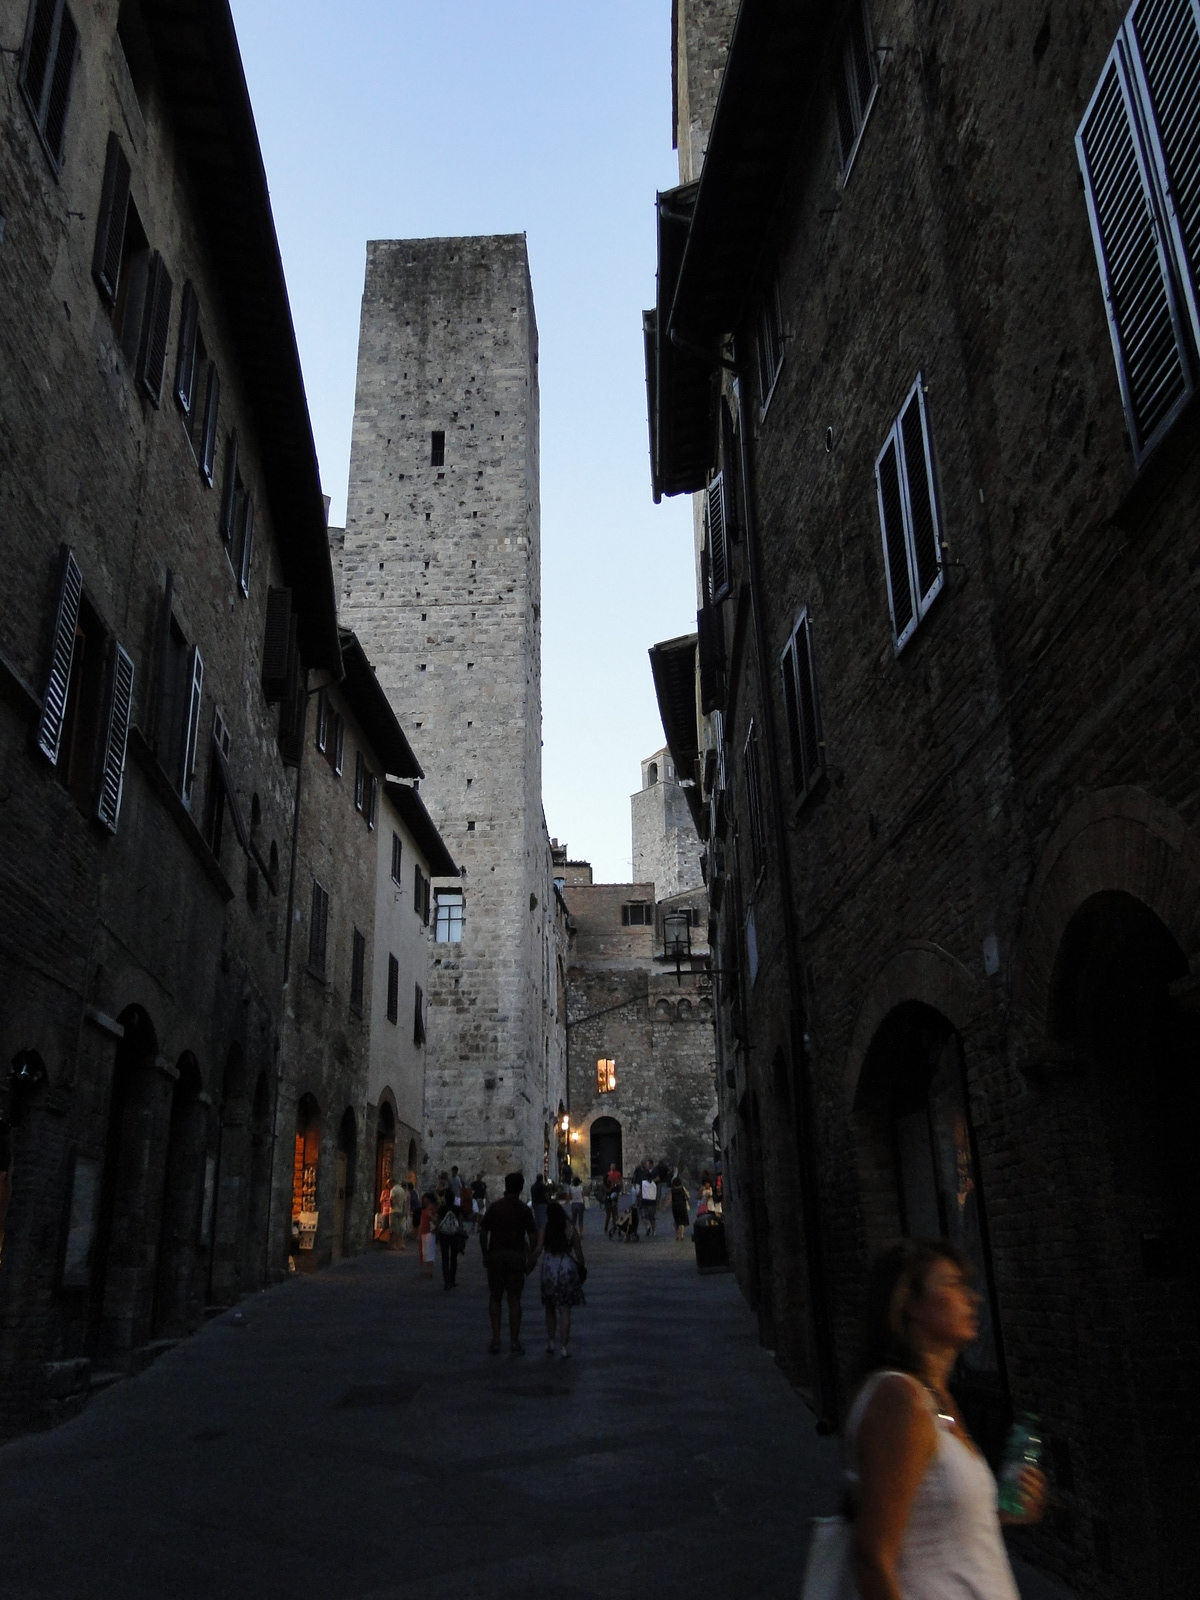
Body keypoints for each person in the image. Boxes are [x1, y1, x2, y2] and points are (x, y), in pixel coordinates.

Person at [845, 1238, 1046, 1600]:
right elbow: (872, 1556)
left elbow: (931, 1531)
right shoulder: (899, 1400)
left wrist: (999, 1513)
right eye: (952, 1285)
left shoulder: (937, 1398)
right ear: (909, 1304)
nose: (973, 1299)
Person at [479, 1171, 539, 1354]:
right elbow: (533, 1236)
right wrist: (530, 1258)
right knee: (514, 1299)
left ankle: (496, 1339)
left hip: (496, 1255)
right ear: (521, 1189)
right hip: (516, 1257)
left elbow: (483, 1232)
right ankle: (514, 1341)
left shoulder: (495, 1207)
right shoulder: (524, 1210)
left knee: (495, 1297)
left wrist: (485, 1254)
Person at [530, 1198, 586, 1358]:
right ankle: (564, 1347)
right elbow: (579, 1252)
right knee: (565, 1308)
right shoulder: (570, 1229)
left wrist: (529, 1264)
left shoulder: (545, 1228)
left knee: (550, 1307)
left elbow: (538, 1249)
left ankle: (551, 1341)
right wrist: (581, 1268)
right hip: (566, 1266)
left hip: (549, 1267)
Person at [435, 1192, 463, 1289]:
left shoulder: (442, 1208)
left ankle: (446, 1281)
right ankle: (452, 1279)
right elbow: (460, 1222)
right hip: (454, 1235)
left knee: (445, 1258)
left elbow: (437, 1220)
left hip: (444, 1235)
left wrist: (437, 1232)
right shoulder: (457, 1208)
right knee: (454, 1258)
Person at [417, 1192, 436, 1278]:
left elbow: (436, 1220)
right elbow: (421, 1222)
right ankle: (428, 1270)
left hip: (429, 1231)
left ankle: (430, 1271)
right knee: (425, 1251)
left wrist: (430, 1216)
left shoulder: (432, 1209)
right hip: (424, 1231)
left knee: (429, 1251)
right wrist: (419, 1232)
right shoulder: (425, 1209)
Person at [389, 1173, 407, 1251]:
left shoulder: (393, 1190)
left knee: (394, 1228)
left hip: (394, 1210)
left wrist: (391, 1206)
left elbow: (392, 1200)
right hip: (400, 1210)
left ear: (391, 1183)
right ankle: (400, 1244)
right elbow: (404, 1201)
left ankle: (393, 1245)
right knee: (400, 1229)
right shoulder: (402, 1190)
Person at [670, 1174, 691, 1241]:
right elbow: (688, 1196)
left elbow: (669, 1198)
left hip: (675, 1206)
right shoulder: (683, 1188)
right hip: (682, 1206)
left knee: (676, 1221)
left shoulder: (672, 1190)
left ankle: (676, 1235)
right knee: (682, 1221)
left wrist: (664, 1206)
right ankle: (681, 1235)